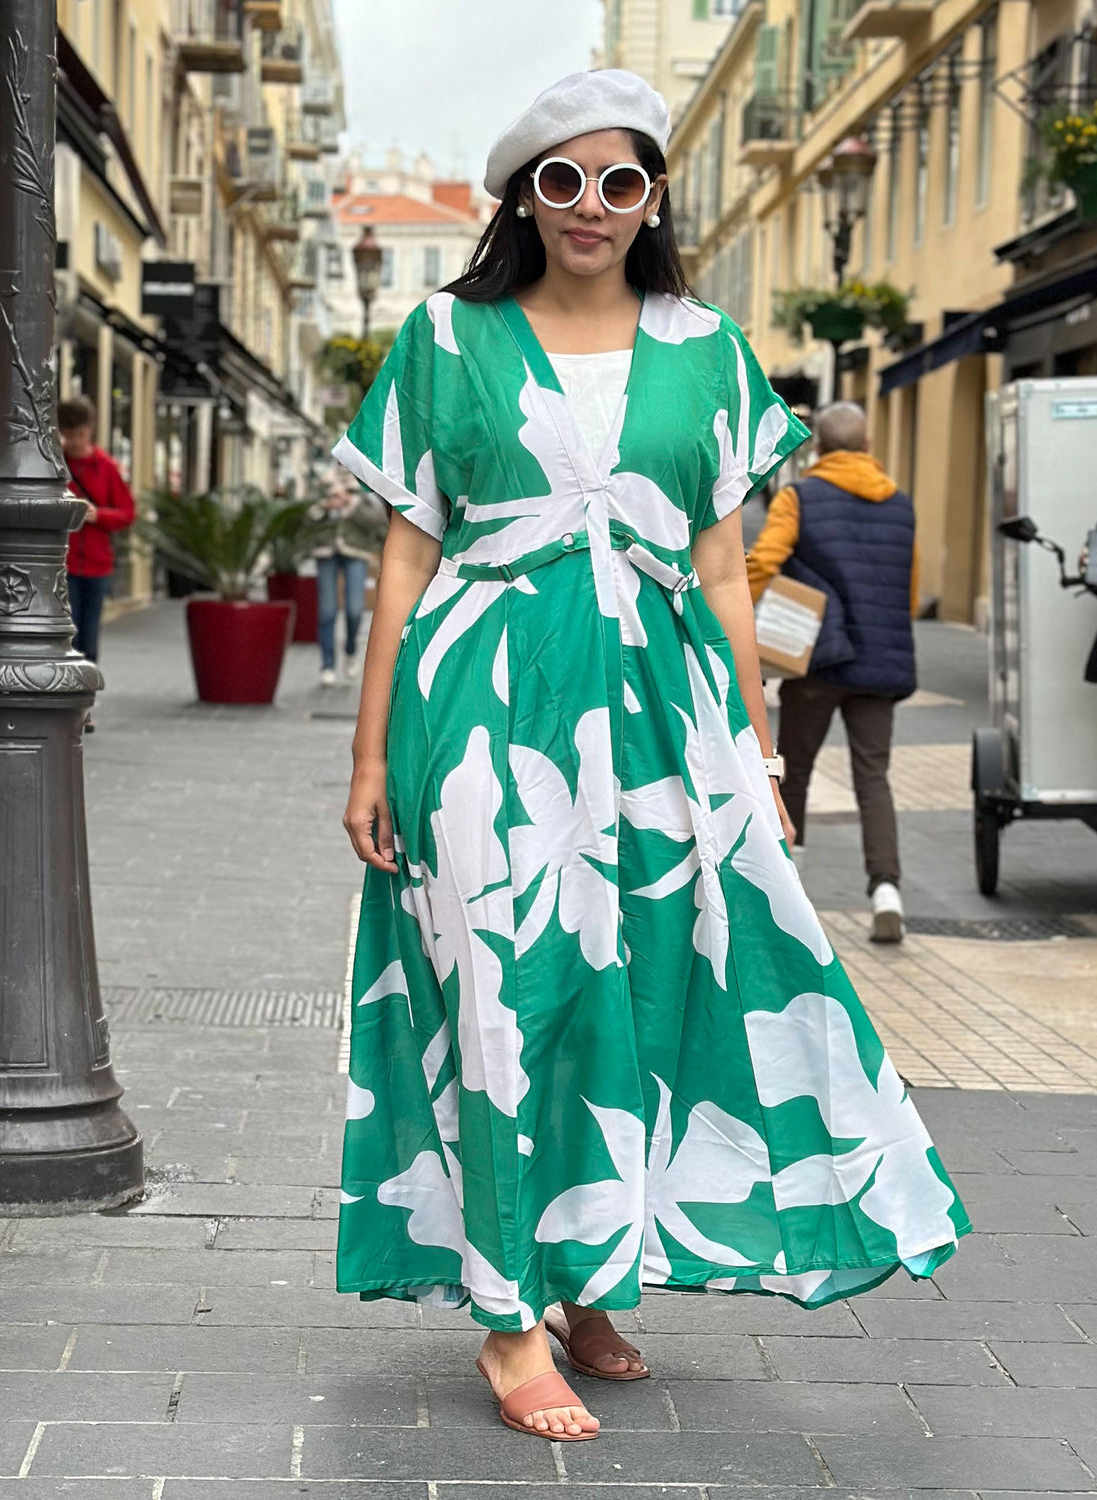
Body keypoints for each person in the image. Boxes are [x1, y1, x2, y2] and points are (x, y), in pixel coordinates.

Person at [332, 71, 968, 1444]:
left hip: (665, 718)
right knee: (511, 993)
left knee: (653, 986)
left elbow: (726, 568)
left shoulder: (710, 346)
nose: (592, 208)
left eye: (621, 182)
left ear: (654, 200)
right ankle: (511, 1321)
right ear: (523, 197)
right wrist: (373, 754)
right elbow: (402, 561)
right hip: (486, 708)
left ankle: (598, 1277)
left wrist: (755, 744)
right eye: (561, 180)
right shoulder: (447, 337)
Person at [745, 401, 918, 943]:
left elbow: (763, 561)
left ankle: (787, 889)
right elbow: (907, 591)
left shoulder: (800, 496)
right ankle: (886, 890)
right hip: (881, 663)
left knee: (793, 768)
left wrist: (738, 619)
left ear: (816, 448)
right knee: (874, 776)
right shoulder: (901, 503)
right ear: (867, 447)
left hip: (818, 659)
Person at [59, 396, 135, 689]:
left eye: (80, 433)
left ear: (90, 430)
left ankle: (84, 701)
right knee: (70, 633)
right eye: (68, 434)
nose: (75, 441)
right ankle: (67, 696)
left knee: (89, 636)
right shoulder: (55, 466)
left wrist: (98, 515)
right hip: (63, 564)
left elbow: (127, 513)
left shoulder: (105, 467)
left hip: (97, 566)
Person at [311, 473, 388, 687]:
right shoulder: (322, 483)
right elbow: (305, 517)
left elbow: (377, 520)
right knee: (327, 611)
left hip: (357, 552)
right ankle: (327, 665)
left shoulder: (363, 486)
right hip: (325, 551)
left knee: (355, 610)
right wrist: (326, 506)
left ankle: (351, 650)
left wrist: (350, 502)